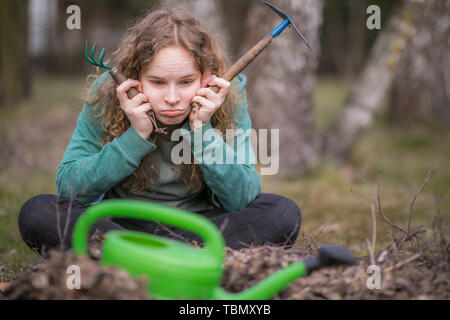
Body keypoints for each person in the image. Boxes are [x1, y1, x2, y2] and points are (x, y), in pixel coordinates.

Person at [18, 8, 302, 258]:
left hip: (199, 227)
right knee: (38, 212)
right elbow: (69, 188)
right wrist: (135, 137)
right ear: (135, 76)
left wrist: (201, 130)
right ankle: (177, 260)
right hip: (118, 225)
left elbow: (243, 198)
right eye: (156, 82)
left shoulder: (229, 94)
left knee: (282, 213)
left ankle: (133, 260)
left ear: (206, 77)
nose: (172, 97)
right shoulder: (108, 92)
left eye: (186, 81)